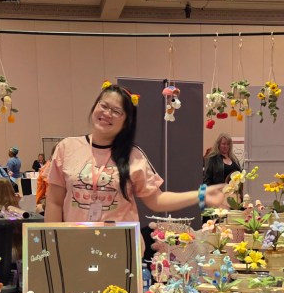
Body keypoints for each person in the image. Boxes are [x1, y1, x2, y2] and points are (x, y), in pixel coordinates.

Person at [45, 84, 226, 223]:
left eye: (116, 111)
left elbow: (157, 200)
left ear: (127, 122)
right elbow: (54, 202)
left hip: (121, 247)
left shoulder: (133, 156)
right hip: (75, 245)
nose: (107, 113)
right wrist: (51, 245)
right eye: (104, 105)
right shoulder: (66, 148)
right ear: (94, 106)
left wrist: (201, 194)